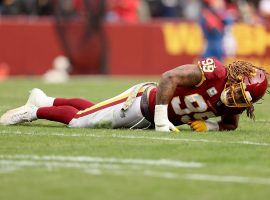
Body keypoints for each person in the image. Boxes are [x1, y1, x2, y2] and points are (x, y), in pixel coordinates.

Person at [0, 58, 268, 132]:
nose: (234, 99)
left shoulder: (233, 106)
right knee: (80, 121)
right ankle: (33, 111)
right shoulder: (216, 73)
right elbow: (169, 78)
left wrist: (208, 125)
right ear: (235, 77)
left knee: (95, 110)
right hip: (143, 103)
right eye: (236, 92)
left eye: (242, 100)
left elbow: (230, 125)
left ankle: (45, 100)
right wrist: (163, 119)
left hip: (150, 117)